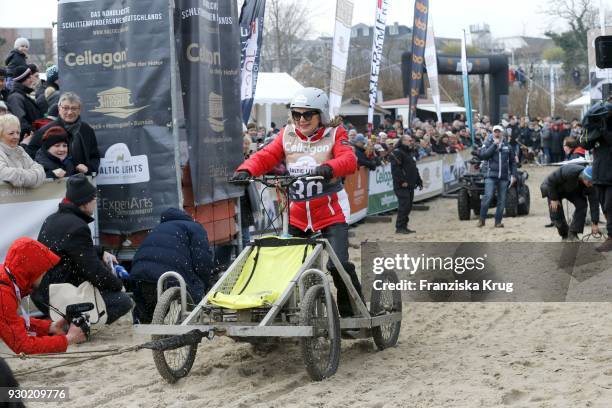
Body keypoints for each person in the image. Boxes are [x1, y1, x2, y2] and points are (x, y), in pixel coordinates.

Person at [230, 87, 363, 317]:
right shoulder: (287, 134)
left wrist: (329, 167)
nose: (301, 120)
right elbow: (266, 155)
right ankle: (281, 316)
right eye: (296, 114)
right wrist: (245, 169)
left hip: (331, 212)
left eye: (307, 114)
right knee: (286, 266)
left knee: (337, 265)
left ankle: (352, 313)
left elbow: (349, 160)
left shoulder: (335, 134)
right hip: (298, 214)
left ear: (320, 114)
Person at [31, 174, 133, 323]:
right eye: (94, 199)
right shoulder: (78, 227)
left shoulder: (52, 219)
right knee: (122, 301)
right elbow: (94, 271)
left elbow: (70, 248)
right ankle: (77, 329)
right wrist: (118, 285)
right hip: (58, 296)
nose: (95, 203)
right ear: (84, 203)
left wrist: (100, 251)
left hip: (41, 294)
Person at [0, 237, 86, 355]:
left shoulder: (5, 278)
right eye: (43, 269)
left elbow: (9, 322)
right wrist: (69, 339)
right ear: (31, 268)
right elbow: (23, 346)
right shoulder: (3, 293)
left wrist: (49, 327)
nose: (45, 273)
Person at [129, 208, 214, 323]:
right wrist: (205, 284)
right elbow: (202, 261)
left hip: (140, 275)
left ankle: (142, 323)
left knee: (147, 308)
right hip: (171, 276)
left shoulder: (156, 229)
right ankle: (191, 325)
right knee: (195, 295)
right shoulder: (194, 227)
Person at [26, 92, 100, 175]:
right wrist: (49, 172)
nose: (69, 112)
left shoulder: (87, 130)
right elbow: (32, 156)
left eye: (74, 108)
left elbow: (94, 156)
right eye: (66, 108)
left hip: (84, 181)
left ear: (79, 110)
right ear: (59, 109)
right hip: (57, 182)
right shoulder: (46, 130)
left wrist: (89, 168)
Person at [580, 100, 612, 252]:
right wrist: (590, 128)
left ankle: (611, 237)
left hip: (610, 175)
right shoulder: (598, 130)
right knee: (604, 206)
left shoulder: (607, 130)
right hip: (599, 175)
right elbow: (585, 144)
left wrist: (604, 129)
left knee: (609, 205)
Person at [540, 165, 599, 241]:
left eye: (592, 183)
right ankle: (564, 235)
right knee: (555, 211)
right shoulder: (569, 171)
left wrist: (595, 223)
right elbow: (551, 181)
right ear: (584, 177)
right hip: (554, 188)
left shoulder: (591, 186)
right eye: (589, 182)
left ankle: (573, 233)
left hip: (572, 190)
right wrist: (553, 198)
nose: (591, 185)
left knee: (582, 204)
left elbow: (594, 203)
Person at [477, 125, 517, 228]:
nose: (497, 133)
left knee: (502, 200)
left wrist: (513, 175)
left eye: (499, 132)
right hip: (490, 175)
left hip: (504, 177)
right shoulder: (487, 143)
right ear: (493, 132)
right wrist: (494, 145)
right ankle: (482, 219)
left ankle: (498, 222)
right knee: (488, 196)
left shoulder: (507, 146)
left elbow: (512, 162)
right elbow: (484, 155)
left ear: (502, 133)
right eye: (495, 131)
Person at [0, 113, 45, 187]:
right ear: (0, 135)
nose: (16, 136)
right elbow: (5, 174)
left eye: (18, 133)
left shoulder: (20, 150)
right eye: (11, 133)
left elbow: (40, 170)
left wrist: (23, 176)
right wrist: (32, 175)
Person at [390, 134, 423, 234]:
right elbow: (396, 170)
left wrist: (418, 180)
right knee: (404, 205)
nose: (411, 142)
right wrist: (401, 181)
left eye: (411, 140)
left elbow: (413, 167)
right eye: (409, 141)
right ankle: (399, 227)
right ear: (403, 141)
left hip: (410, 184)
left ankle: (404, 226)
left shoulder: (409, 153)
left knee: (408, 206)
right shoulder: (397, 152)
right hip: (402, 185)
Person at [5, 65, 42, 139]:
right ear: (22, 80)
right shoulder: (15, 97)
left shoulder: (22, 95)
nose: (31, 80)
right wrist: (36, 133)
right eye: (28, 77)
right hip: (26, 139)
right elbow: (21, 122)